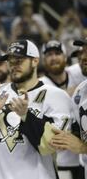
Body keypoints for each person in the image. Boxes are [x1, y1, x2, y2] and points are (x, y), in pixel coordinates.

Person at [0, 40, 72, 179]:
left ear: (35, 61)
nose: (14, 66)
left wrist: (26, 116)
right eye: (10, 61)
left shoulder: (57, 96)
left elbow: (52, 145)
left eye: (19, 61)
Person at [40, 40, 82, 179]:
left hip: (83, 158)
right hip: (59, 161)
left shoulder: (78, 72)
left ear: (65, 57)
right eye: (49, 55)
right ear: (43, 60)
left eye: (57, 53)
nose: (53, 58)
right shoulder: (39, 86)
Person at [51, 38, 87, 179]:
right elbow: (79, 132)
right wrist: (63, 138)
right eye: (82, 53)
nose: (83, 57)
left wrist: (83, 148)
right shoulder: (80, 91)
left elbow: (82, 146)